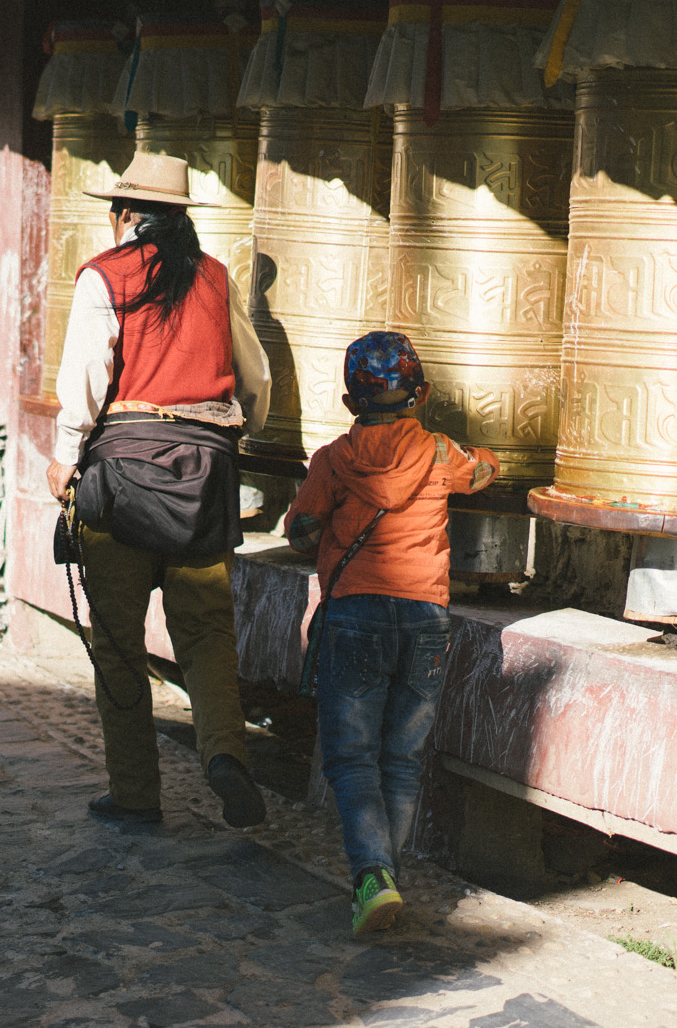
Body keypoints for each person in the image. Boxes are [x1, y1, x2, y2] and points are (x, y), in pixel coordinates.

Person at [46, 150, 272, 829]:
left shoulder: (103, 277)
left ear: (123, 214)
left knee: (117, 638)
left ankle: (137, 792)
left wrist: (64, 457)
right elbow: (254, 379)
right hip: (206, 478)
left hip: (122, 481)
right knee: (206, 632)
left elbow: (87, 376)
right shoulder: (214, 278)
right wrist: (241, 430)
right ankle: (224, 754)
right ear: (179, 220)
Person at [285, 330, 497, 935]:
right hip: (425, 617)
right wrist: (485, 459)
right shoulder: (438, 453)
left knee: (352, 758)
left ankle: (372, 877)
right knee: (401, 759)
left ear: (351, 404)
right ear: (421, 394)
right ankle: (384, 882)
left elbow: (299, 531)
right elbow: (481, 473)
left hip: (355, 614)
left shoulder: (332, 460)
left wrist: (320, 528)